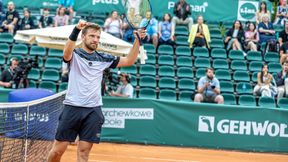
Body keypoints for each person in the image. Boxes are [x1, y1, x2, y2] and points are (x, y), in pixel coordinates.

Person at [47, 20, 145, 162]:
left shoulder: (104, 58)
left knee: (84, 153)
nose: (95, 39)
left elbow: (129, 60)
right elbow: (66, 53)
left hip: (93, 111)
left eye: (98, 37)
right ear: (83, 37)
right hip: (72, 108)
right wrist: (76, 29)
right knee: (57, 151)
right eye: (92, 36)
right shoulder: (75, 55)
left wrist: (137, 40)